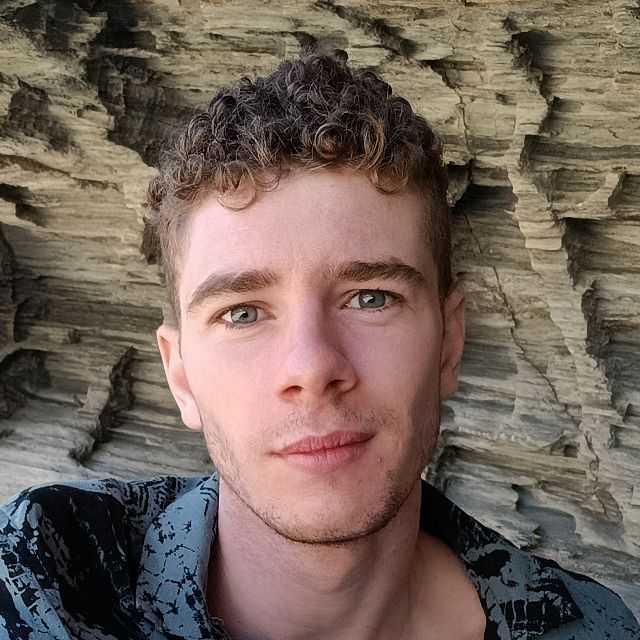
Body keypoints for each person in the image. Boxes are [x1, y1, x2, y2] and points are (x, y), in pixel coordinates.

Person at [0, 52, 638, 640]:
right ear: (180, 376)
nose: (312, 367)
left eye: (371, 298)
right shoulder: (44, 575)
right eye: (242, 312)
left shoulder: (590, 628)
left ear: (449, 344)